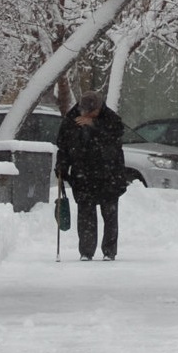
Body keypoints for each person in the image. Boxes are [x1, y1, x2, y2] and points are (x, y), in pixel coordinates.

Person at [55, 93, 129, 260]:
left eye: (93, 113)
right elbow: (63, 147)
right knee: (85, 215)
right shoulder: (70, 121)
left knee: (109, 214)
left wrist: (95, 124)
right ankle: (86, 252)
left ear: (99, 108)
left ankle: (109, 251)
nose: (88, 115)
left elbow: (115, 135)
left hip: (109, 175)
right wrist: (62, 166)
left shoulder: (110, 119)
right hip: (83, 175)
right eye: (87, 112)